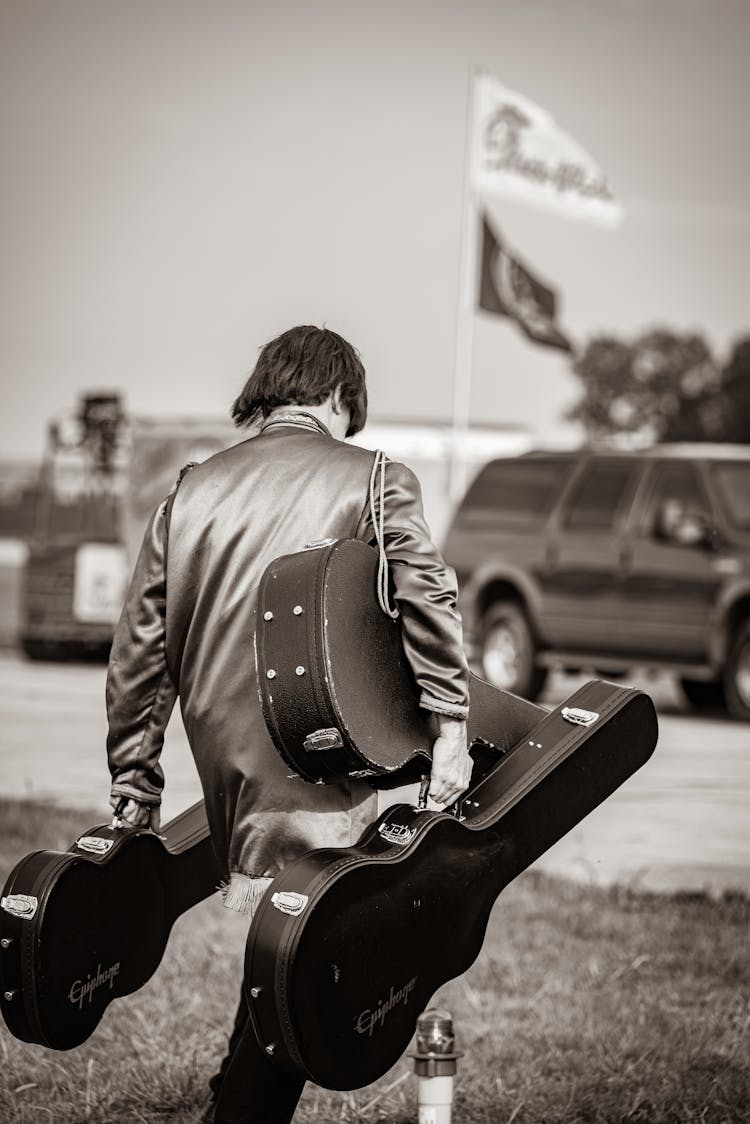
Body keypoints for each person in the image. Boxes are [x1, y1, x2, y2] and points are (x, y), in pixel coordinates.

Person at [105, 325, 472, 1123]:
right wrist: (449, 725)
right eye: (352, 413)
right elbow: (427, 600)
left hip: (223, 755)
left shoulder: (190, 488)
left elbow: (138, 648)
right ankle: (239, 1109)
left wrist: (134, 781)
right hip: (322, 749)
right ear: (337, 397)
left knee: (289, 928)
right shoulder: (376, 478)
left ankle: (230, 1099)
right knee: (320, 956)